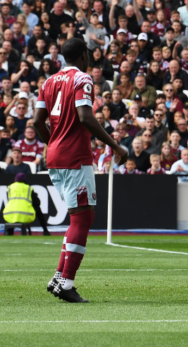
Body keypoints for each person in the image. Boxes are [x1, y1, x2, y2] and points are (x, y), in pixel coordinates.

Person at [33, 38, 128, 303]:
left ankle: (59, 277)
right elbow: (85, 116)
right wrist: (117, 146)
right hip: (75, 156)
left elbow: (38, 121)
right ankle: (66, 283)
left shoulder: (48, 82)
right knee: (84, 218)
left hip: (55, 156)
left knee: (78, 217)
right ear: (84, 55)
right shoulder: (82, 79)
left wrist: (53, 142)